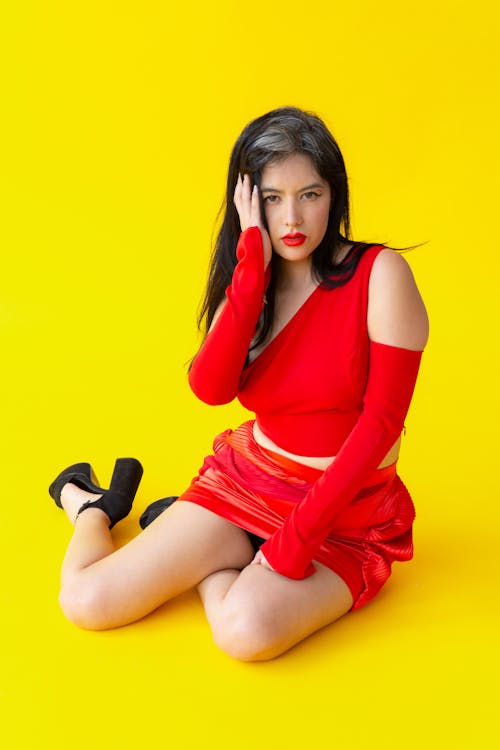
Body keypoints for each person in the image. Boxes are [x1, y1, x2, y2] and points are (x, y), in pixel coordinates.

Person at [49, 106, 429, 661]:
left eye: (311, 194)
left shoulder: (381, 275)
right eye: (273, 198)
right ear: (248, 202)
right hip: (249, 482)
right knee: (86, 601)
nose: (292, 217)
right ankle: (91, 508)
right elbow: (210, 388)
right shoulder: (255, 280)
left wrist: (289, 547)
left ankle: (208, 553)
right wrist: (250, 274)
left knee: (244, 633)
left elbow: (380, 427)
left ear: (335, 195)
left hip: (346, 513)